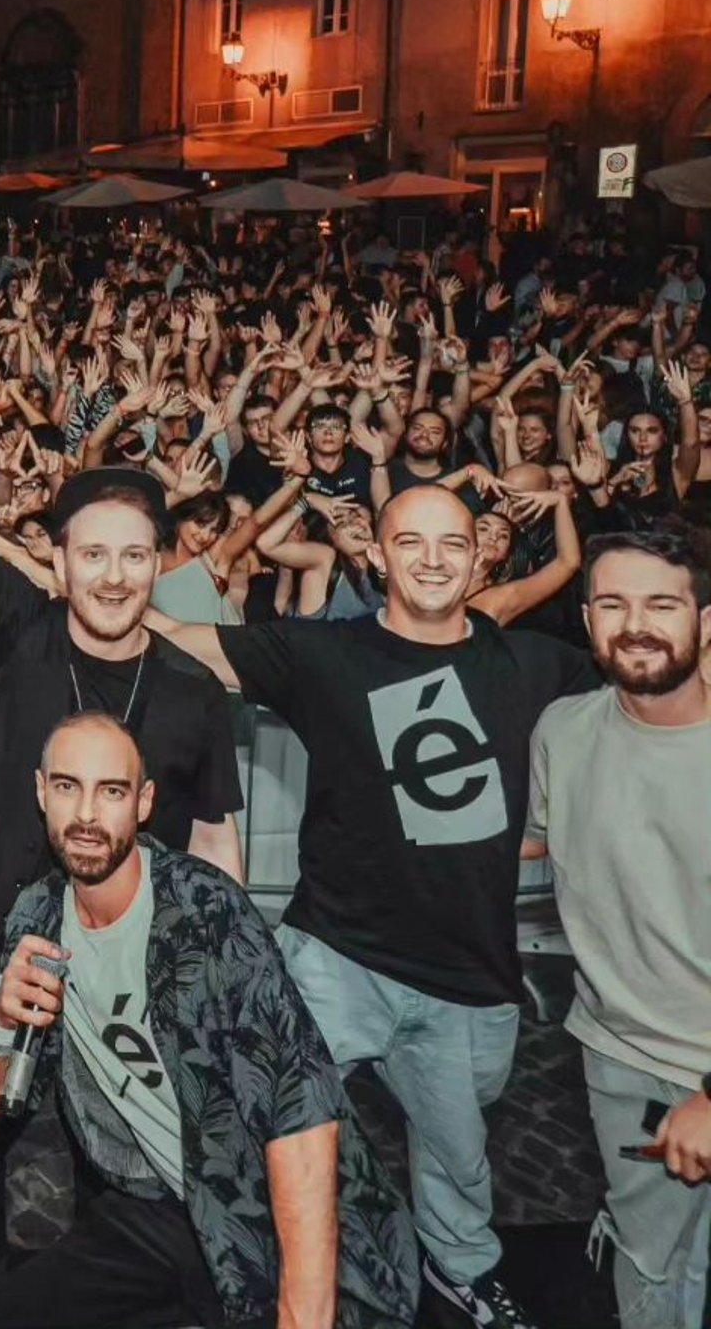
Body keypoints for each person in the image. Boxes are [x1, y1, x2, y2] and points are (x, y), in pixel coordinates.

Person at [155, 483, 597, 1329]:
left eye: (451, 544)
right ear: (380, 555)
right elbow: (181, 641)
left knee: (461, 1162)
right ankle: (255, 1276)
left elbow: (638, 698)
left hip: (471, 972)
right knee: (263, 1127)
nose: (433, 559)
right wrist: (96, 585)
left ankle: (460, 1273)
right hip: (338, 956)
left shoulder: (535, 664)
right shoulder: (325, 655)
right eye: (413, 542)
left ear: (478, 558)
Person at [0, 288, 249, 1306]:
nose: (112, 574)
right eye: (91, 553)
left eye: (133, 555)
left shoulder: (193, 689)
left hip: (135, 964)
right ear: (56, 561)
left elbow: (218, 838)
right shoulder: (18, 629)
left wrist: (217, 981)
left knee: (125, 1166)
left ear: (162, 562)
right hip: (4, 943)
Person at [0, 711, 417, 1329]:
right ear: (42, 792)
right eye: (68, 787)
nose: (88, 815)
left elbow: (301, 1116)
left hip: (257, 1204)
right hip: (150, 1206)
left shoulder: (207, 914)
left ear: (143, 803)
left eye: (112, 791)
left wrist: (302, 1315)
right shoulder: (35, 919)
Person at [526, 527, 711, 1329]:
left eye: (662, 604)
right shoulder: (562, 731)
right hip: (622, 1059)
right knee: (650, 1271)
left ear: (705, 621)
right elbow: (527, 849)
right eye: (613, 603)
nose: (635, 623)